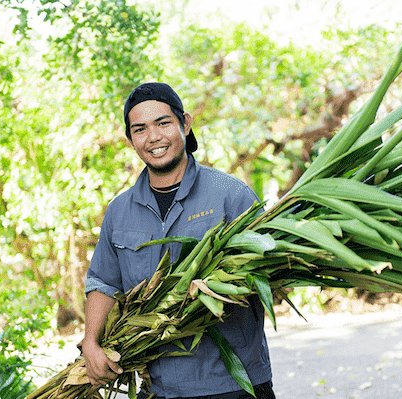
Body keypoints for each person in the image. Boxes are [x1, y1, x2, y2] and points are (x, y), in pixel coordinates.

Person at [82, 82, 274, 399]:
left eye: (163, 123)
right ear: (130, 140)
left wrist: (215, 286)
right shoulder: (119, 212)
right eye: (140, 129)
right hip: (159, 389)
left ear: (184, 124)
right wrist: (91, 341)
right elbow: (103, 281)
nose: (153, 137)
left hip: (233, 385)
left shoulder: (230, 195)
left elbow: (268, 267)